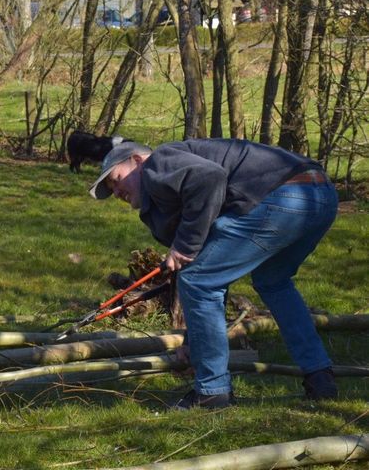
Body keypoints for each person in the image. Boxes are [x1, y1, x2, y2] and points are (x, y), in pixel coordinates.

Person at [88, 137, 339, 409]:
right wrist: (194, 343)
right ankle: (320, 378)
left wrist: (184, 246)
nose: (116, 191)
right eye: (111, 189)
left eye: (116, 179)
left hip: (282, 196)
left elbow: (210, 177)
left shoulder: (158, 163)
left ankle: (212, 390)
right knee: (272, 281)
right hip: (319, 193)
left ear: (137, 161)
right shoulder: (177, 184)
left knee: (197, 280)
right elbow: (215, 266)